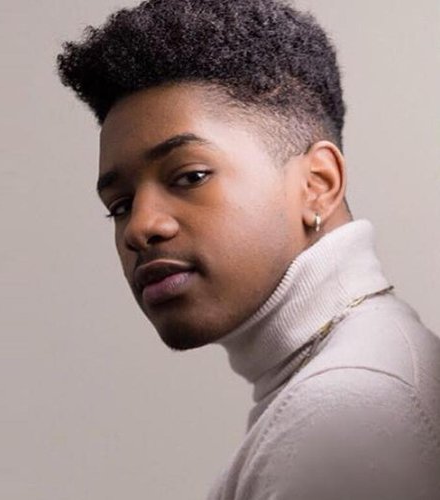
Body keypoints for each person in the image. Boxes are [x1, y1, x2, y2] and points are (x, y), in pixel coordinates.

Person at [56, 0, 440, 498]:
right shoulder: (357, 375)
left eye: (190, 176)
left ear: (318, 184)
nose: (141, 228)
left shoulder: (348, 411)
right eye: (120, 205)